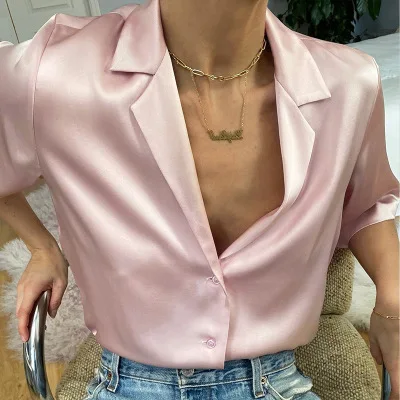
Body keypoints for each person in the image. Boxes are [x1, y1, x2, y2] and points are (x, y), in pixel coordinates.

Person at [0, 0, 399, 398]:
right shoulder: (58, 72)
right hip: (129, 382)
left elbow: (367, 203)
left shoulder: (348, 84)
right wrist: (42, 247)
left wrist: (392, 292)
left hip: (277, 380)